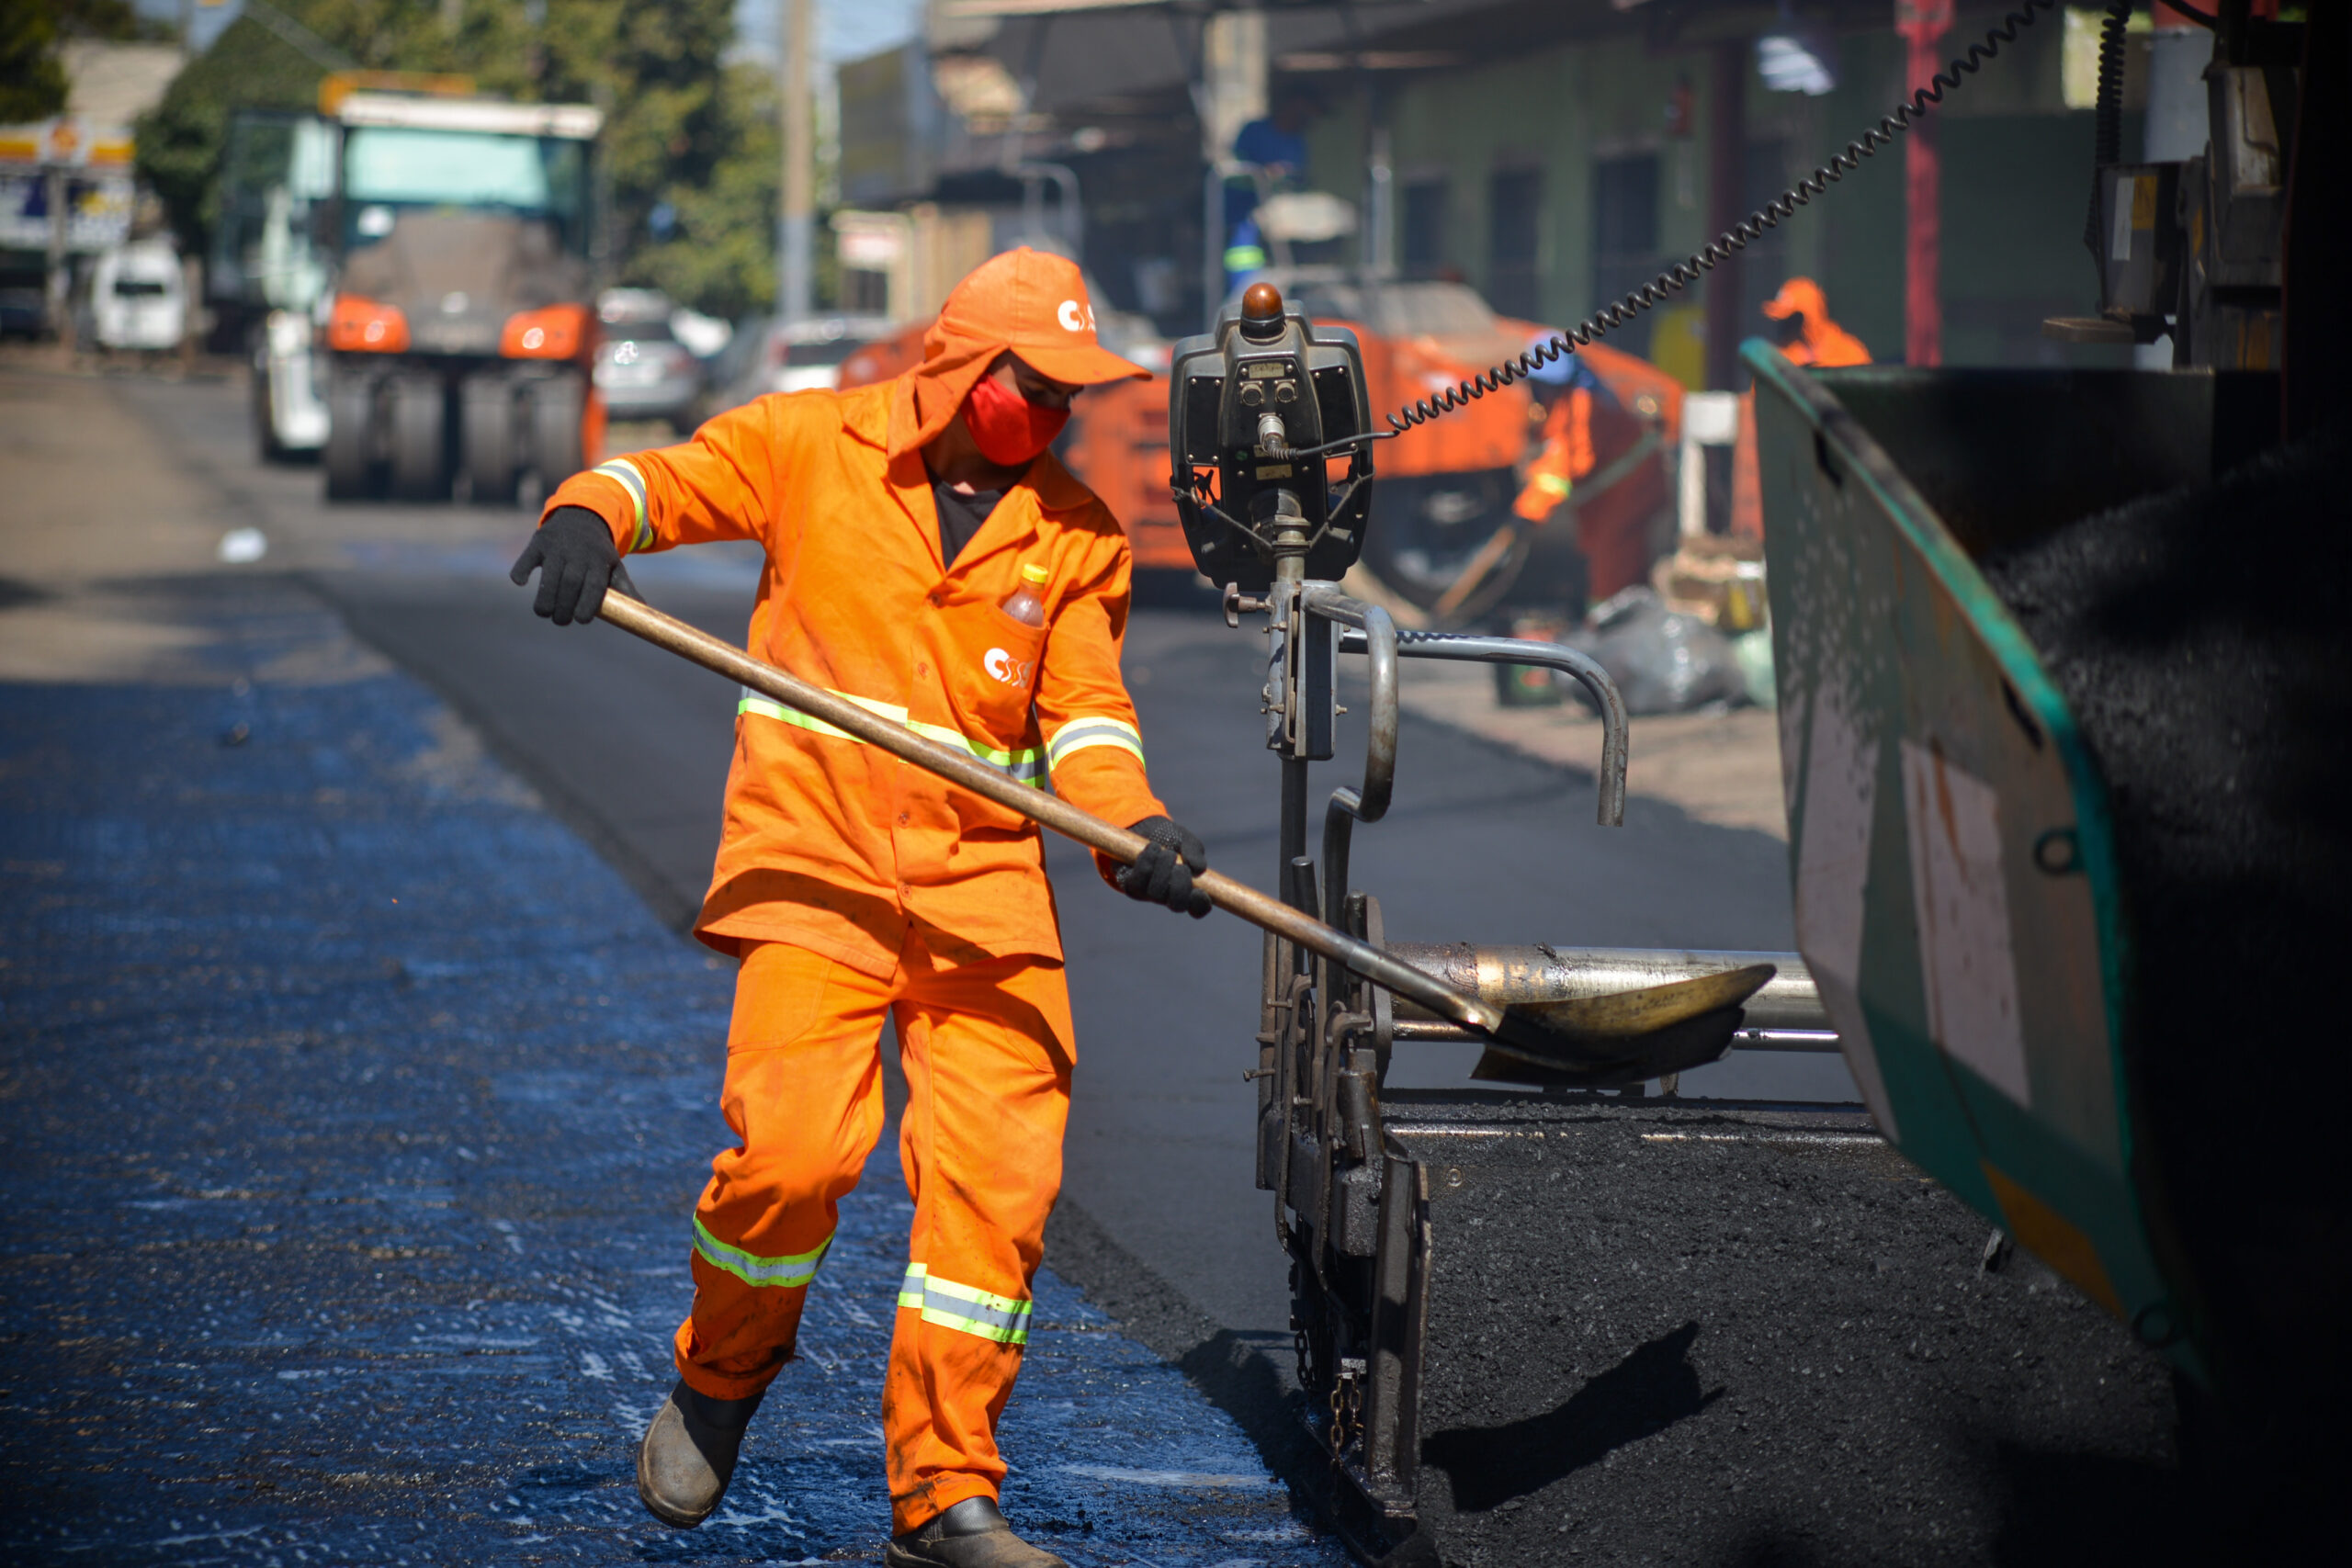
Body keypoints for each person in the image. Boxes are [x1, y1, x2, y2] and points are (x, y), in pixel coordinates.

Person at [509, 248, 1211, 1568]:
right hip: (815, 863)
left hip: (982, 890)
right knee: (793, 1157)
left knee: (999, 1191)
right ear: (961, 366)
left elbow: (1089, 720)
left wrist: (1133, 828)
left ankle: (947, 1493)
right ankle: (723, 1371)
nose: (1056, 414)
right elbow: (654, 481)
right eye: (1038, 385)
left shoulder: (1075, 534)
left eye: (1073, 395)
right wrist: (588, 516)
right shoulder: (809, 444)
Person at [1733, 276, 1871, 536]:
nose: (1783, 325)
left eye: (1793, 317)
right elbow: (1757, 398)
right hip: (1794, 460)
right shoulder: (1781, 355)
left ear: (1811, 316)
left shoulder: (1849, 352)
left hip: (1843, 458)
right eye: (1782, 318)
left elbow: (1867, 401)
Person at [1222, 89, 1317, 288]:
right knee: (1243, 249)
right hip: (1243, 207)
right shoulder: (1254, 130)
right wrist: (1262, 172)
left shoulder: (1297, 141)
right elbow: (1235, 166)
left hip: (1278, 210)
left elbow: (1299, 178)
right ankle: (1244, 292)